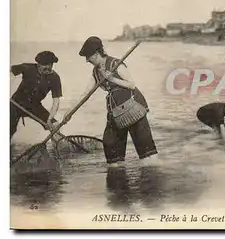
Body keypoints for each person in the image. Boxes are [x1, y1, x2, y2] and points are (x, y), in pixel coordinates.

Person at [64, 36, 158, 167]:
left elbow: (131, 85)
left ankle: (150, 178)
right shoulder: (96, 72)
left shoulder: (115, 64)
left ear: (96, 54)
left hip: (133, 108)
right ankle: (118, 180)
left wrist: (112, 79)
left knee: (146, 151)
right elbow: (85, 94)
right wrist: (70, 111)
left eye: (88, 57)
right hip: (115, 111)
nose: (87, 60)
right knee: (111, 147)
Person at [10, 51, 63, 143]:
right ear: (38, 64)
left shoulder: (55, 78)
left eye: (50, 64)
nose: (47, 67)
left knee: (55, 125)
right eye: (44, 64)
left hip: (34, 106)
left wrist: (50, 119)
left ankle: (58, 150)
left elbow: (56, 101)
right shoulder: (27, 68)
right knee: (8, 129)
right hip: (16, 104)